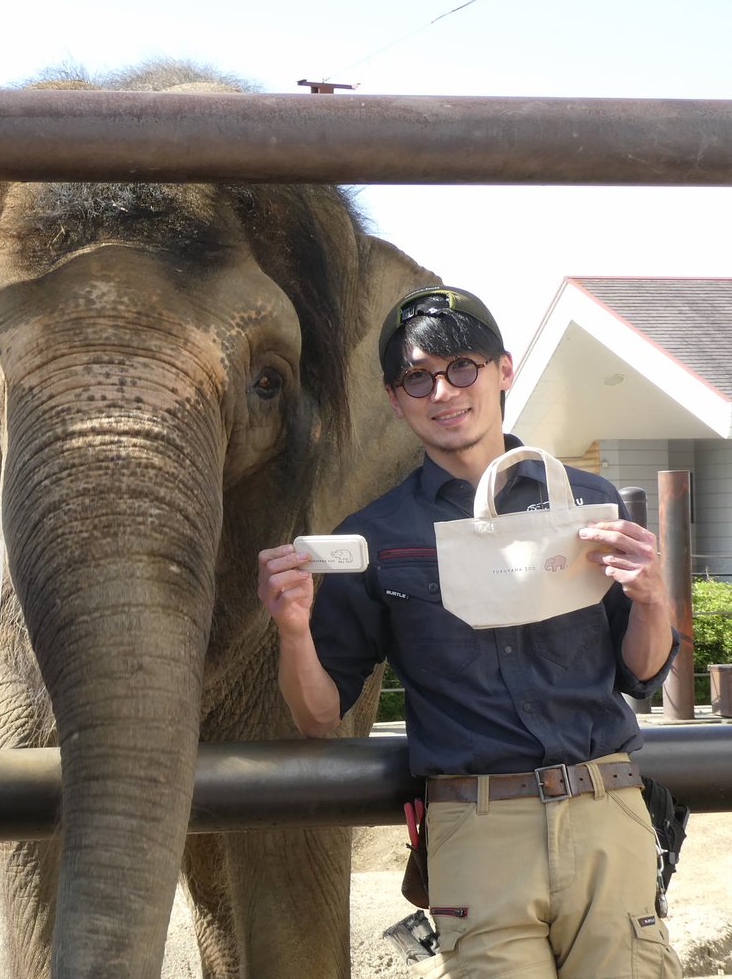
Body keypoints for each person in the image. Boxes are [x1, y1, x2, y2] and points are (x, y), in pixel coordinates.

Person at [257, 287, 682, 978]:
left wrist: (653, 599)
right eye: (417, 377)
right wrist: (293, 628)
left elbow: (639, 673)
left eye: (462, 367)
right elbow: (318, 714)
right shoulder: (376, 535)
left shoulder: (588, 502)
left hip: (608, 808)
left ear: (503, 370)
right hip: (474, 826)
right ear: (396, 399)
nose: (443, 391)